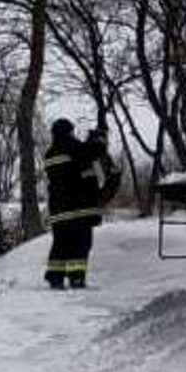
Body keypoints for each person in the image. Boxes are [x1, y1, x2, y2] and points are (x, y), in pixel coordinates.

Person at [42, 118, 121, 288]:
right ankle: (76, 278)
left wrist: (91, 144)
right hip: (79, 208)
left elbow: (80, 157)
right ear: (68, 132)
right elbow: (88, 152)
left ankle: (55, 277)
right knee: (81, 244)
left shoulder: (50, 153)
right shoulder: (73, 147)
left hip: (58, 209)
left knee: (60, 244)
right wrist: (99, 140)